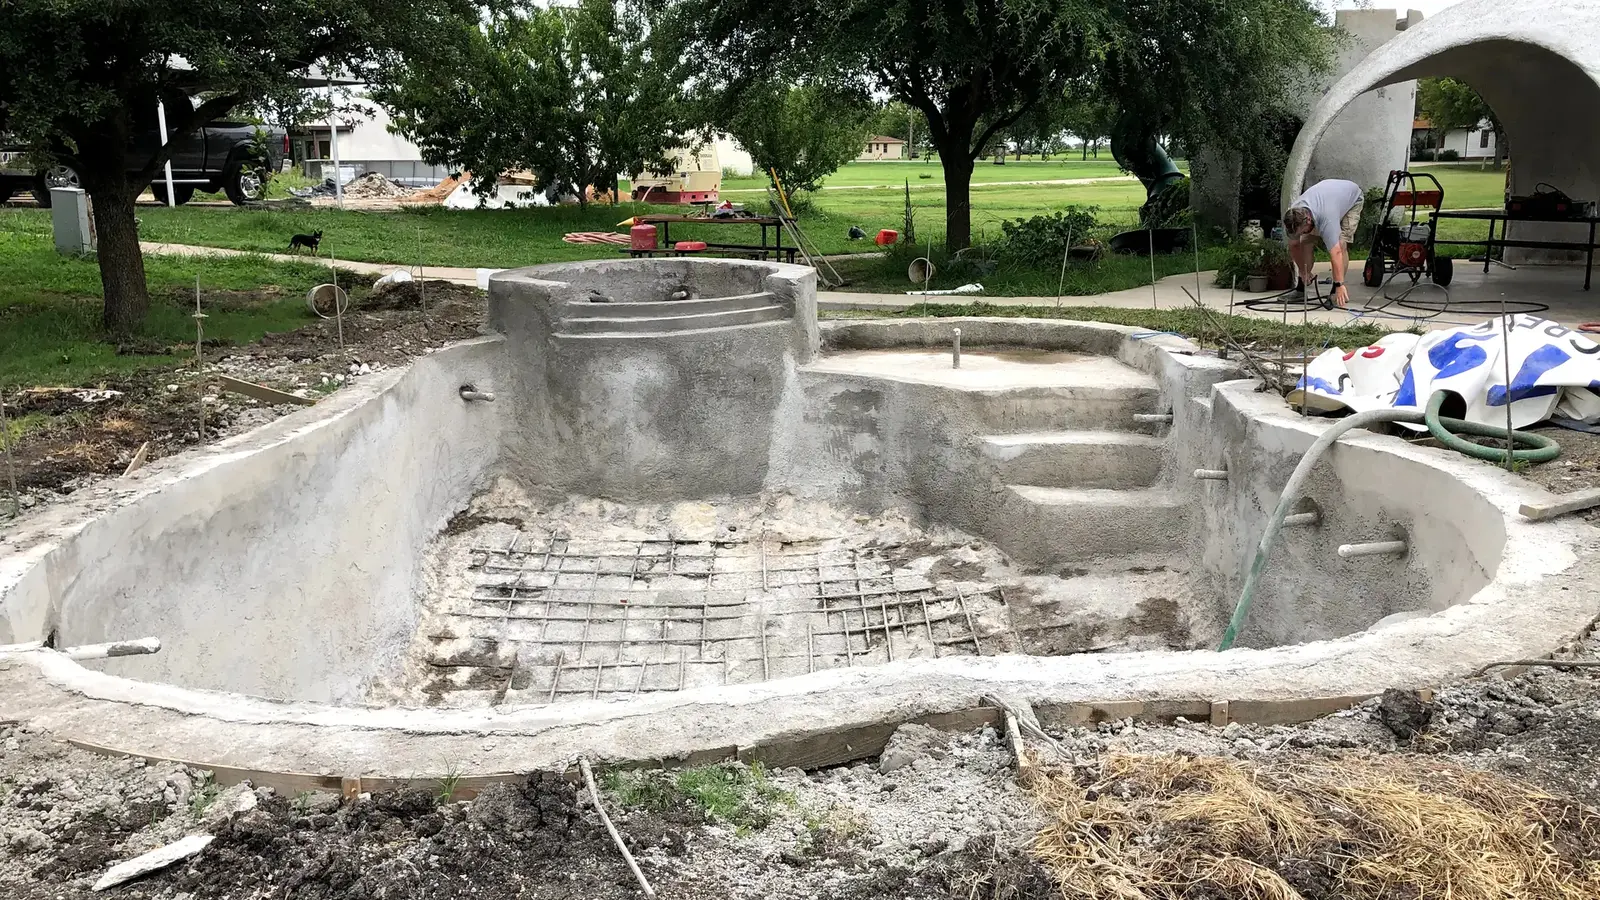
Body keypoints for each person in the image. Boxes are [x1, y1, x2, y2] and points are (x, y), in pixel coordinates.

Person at [1282, 179, 1365, 310]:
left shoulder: (1326, 218)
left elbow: (1336, 252)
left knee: (1341, 244)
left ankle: (1335, 292)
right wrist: (1303, 272)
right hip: (1327, 196)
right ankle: (1301, 288)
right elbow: (1294, 246)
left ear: (1308, 220)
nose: (1301, 233)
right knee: (1304, 242)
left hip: (1352, 199)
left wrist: (1339, 284)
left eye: (1303, 230)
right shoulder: (1294, 215)